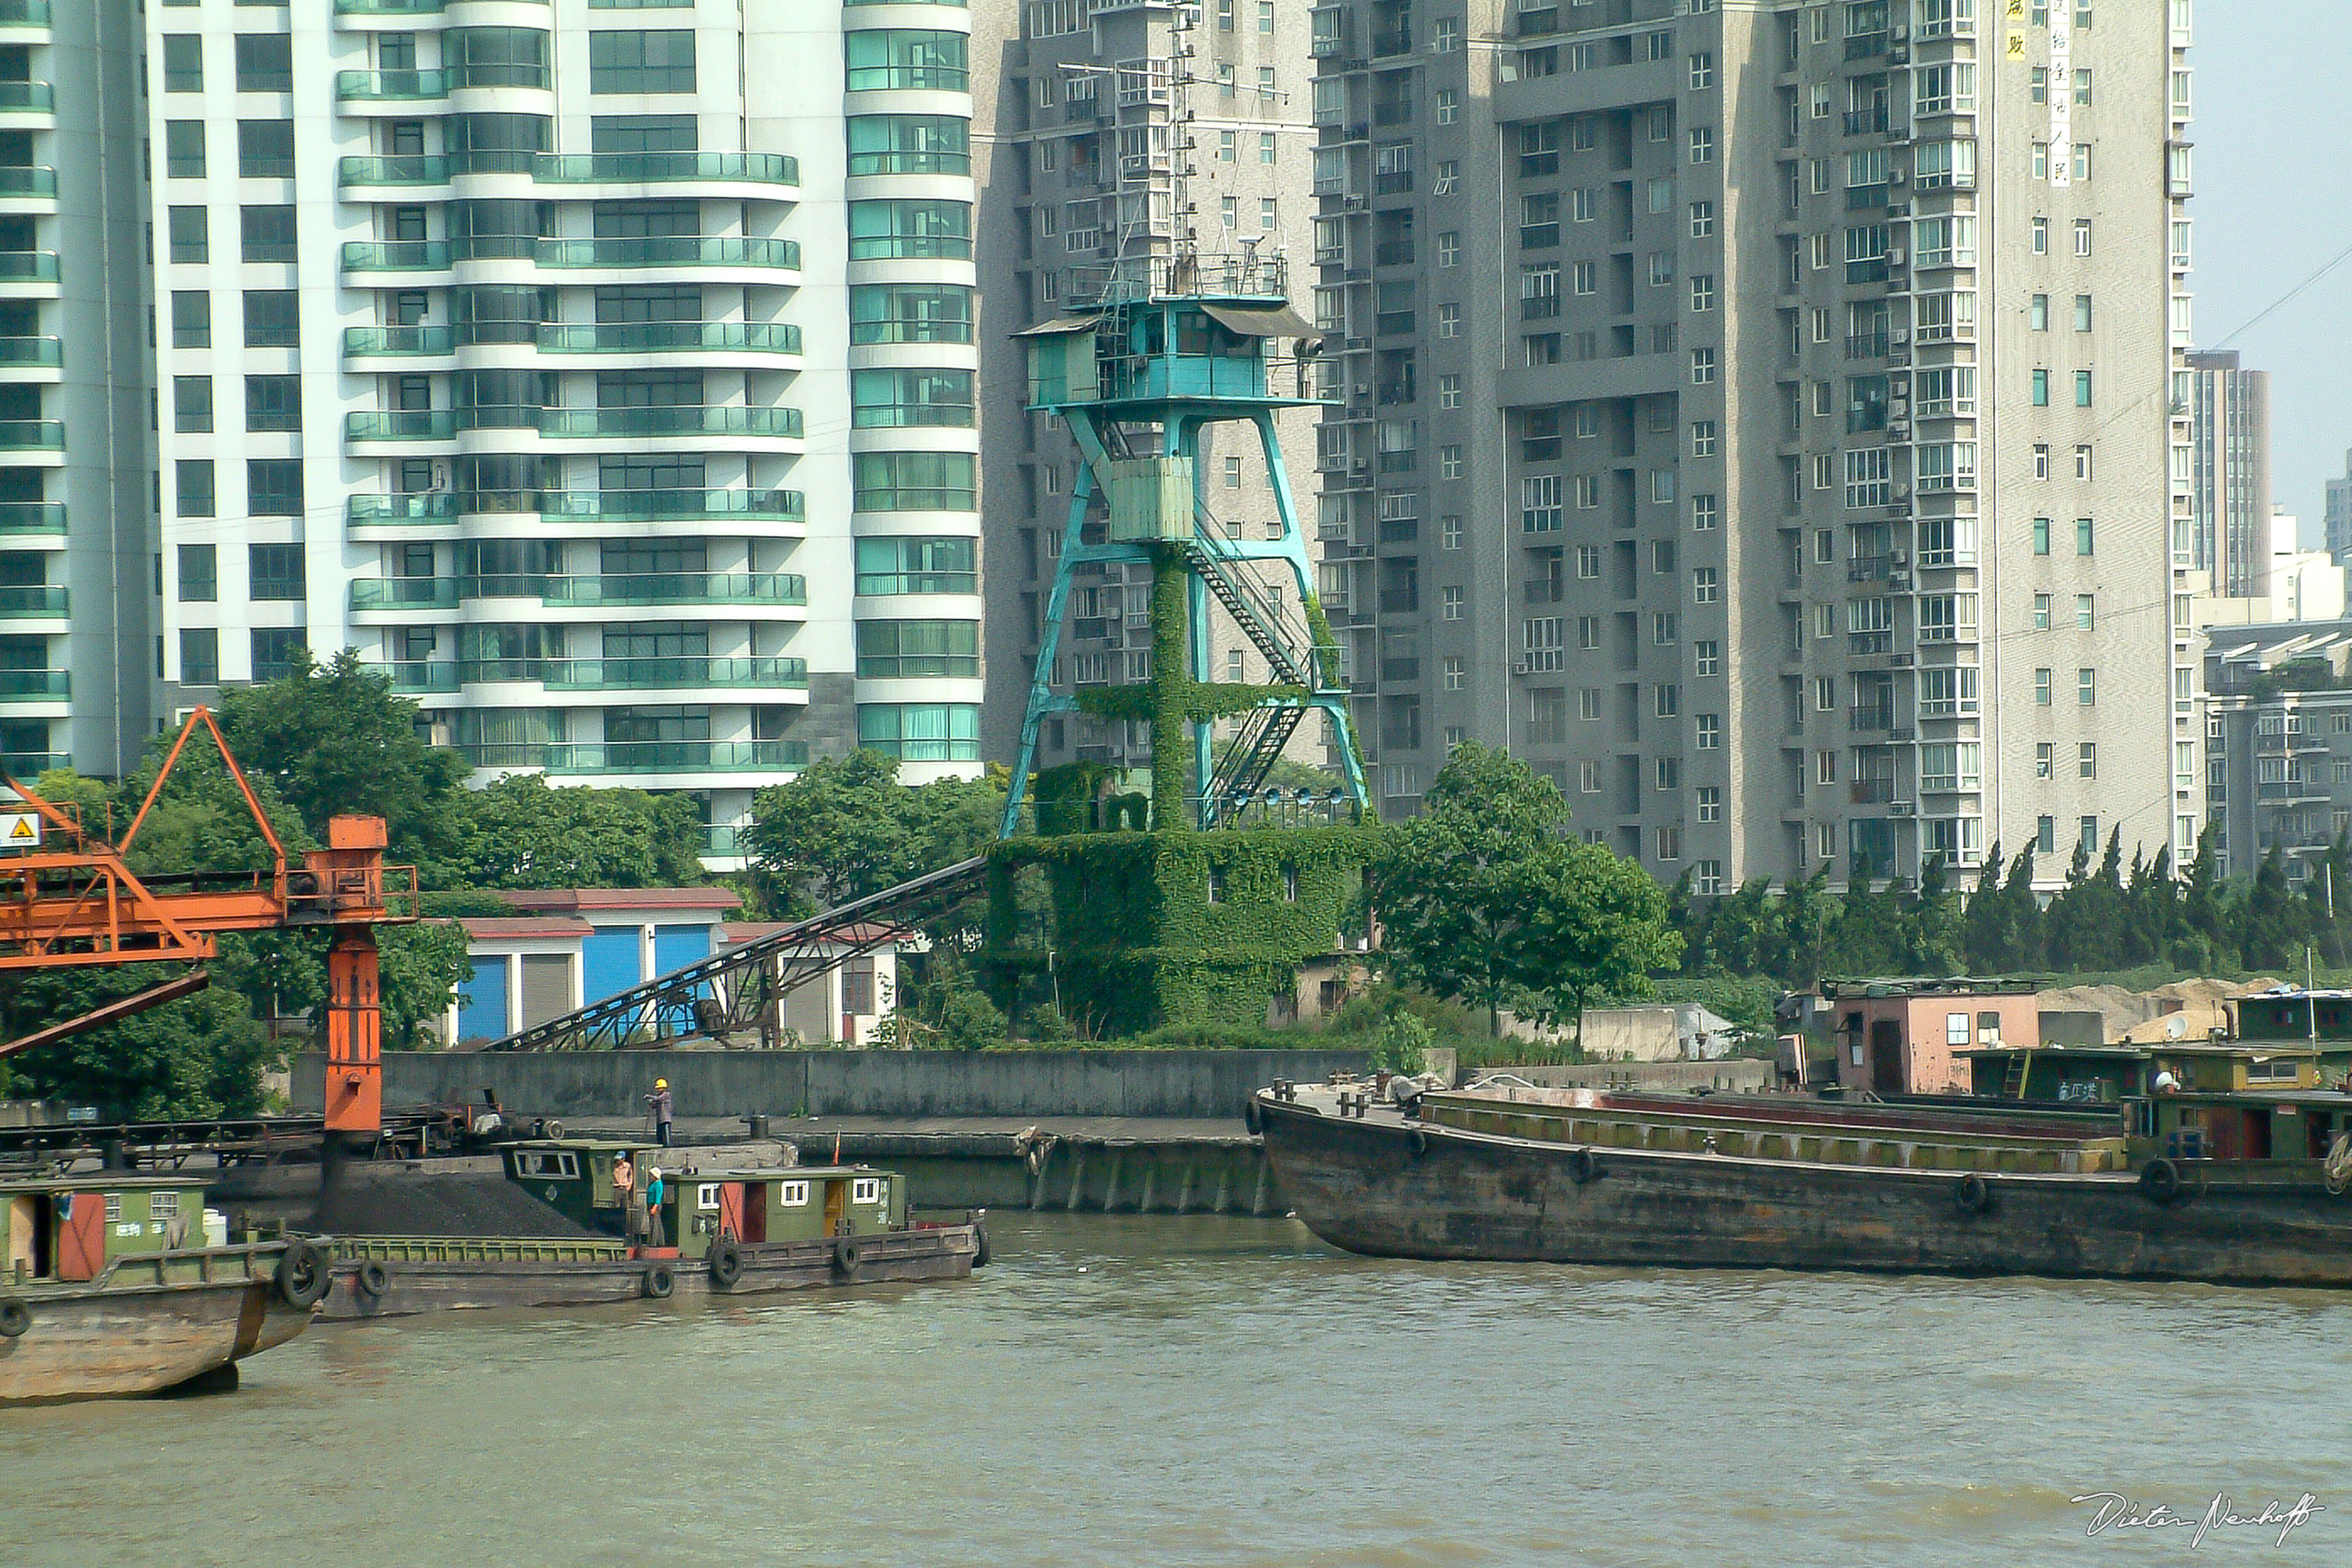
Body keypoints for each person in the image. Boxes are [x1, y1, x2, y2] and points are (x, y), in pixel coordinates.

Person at [612, 1151, 641, 1245]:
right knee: (616, 1207)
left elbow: (630, 1176)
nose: (618, 1161)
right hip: (616, 1187)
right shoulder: (613, 1166)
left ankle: (625, 1229)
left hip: (624, 1188)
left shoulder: (627, 1166)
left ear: (623, 1159)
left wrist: (629, 1185)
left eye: (619, 1159)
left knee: (625, 1208)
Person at [646, 1077, 674, 1147]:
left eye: (659, 1088)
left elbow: (658, 1099)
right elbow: (654, 1105)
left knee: (666, 1139)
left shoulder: (666, 1095)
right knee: (659, 1138)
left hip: (665, 1120)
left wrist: (649, 1097)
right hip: (659, 1121)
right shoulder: (659, 1097)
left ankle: (668, 1149)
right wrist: (651, 1104)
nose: (658, 1090)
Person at [645, 1165, 667, 1248]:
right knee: (656, 1223)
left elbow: (658, 1196)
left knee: (654, 1223)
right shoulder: (653, 1183)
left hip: (655, 1205)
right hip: (651, 1204)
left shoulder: (658, 1184)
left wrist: (655, 1207)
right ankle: (660, 1241)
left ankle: (653, 1242)